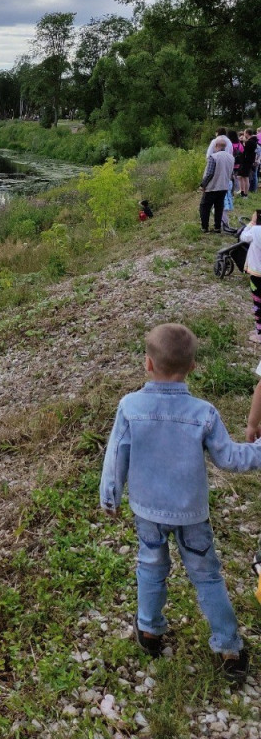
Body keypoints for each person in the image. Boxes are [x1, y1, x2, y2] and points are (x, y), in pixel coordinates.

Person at [99, 323, 261, 679]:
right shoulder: (203, 413)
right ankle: (229, 648)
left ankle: (149, 630)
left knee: (151, 567)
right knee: (207, 577)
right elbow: (231, 458)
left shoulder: (130, 406)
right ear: (193, 367)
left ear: (147, 364)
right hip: (191, 513)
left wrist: (110, 496)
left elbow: (116, 456)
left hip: (148, 510)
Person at [198, 138, 234, 233]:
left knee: (204, 206)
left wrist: (203, 185)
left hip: (213, 186)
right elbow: (231, 173)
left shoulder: (213, 157)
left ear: (216, 146)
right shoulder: (231, 157)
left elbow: (209, 173)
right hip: (224, 186)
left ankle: (204, 227)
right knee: (219, 207)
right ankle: (217, 227)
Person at [239, 212, 261, 342]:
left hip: (257, 274)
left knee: (258, 301)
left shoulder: (256, 230)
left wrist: (251, 223)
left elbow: (243, 236)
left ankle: (260, 333)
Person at [239, 129, 257, 198]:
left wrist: (244, 143)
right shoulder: (252, 141)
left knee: (246, 177)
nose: (243, 135)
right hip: (247, 161)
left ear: (247, 133)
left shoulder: (250, 142)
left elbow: (245, 150)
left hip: (247, 161)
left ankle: (245, 194)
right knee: (241, 176)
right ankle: (242, 191)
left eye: (244, 133)